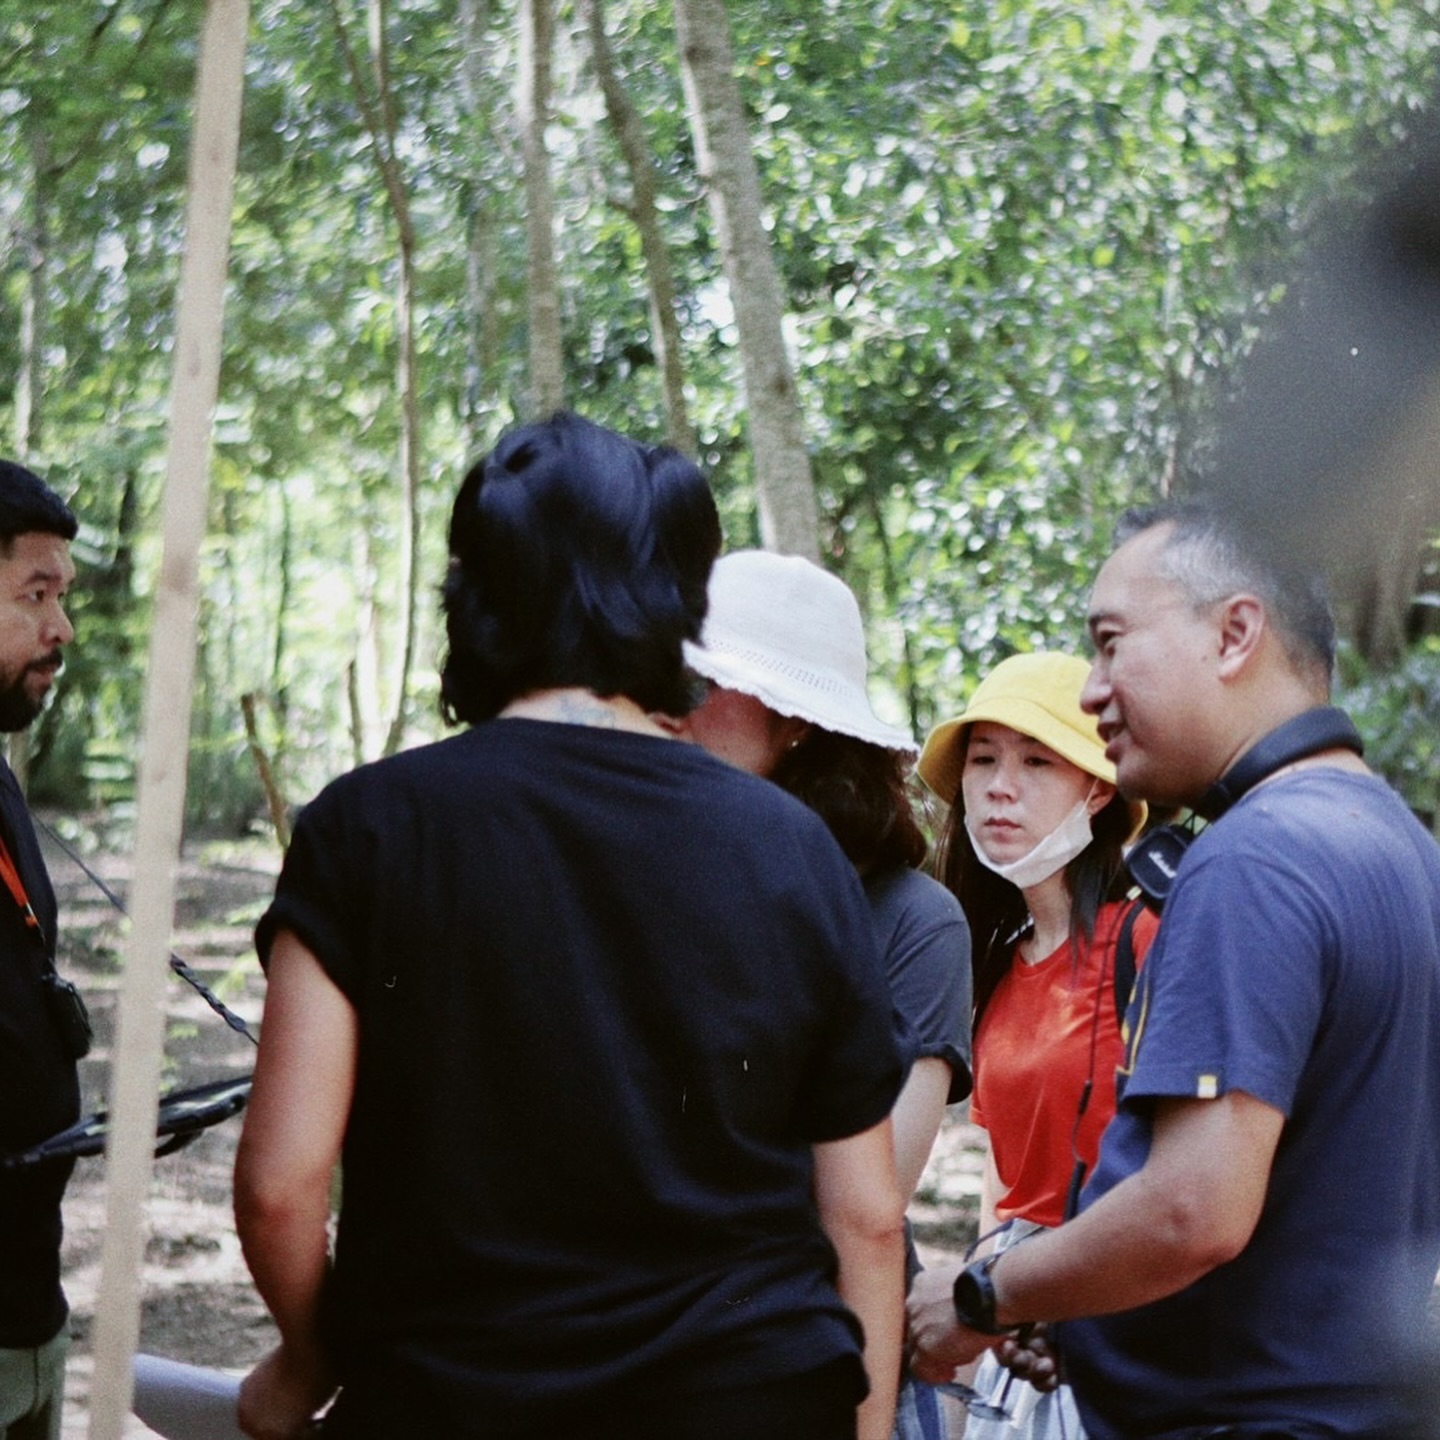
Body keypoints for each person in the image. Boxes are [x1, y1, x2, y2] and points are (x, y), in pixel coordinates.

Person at [233, 413, 909, 1440]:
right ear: (676, 603)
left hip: (455, 1400)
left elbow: (281, 1187)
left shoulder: (369, 829)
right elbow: (866, 1214)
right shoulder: (792, 847)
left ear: (473, 596)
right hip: (751, 1404)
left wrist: (306, 1361)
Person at [908, 498, 1440, 1438]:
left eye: (1113, 644)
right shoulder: (1399, 843)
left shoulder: (1254, 860)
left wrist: (985, 1294)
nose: (1093, 690)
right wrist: (1090, 1317)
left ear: (1236, 634)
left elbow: (1195, 1211)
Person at [673, 549, 973, 1440]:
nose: (678, 701)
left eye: (710, 681)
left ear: (798, 724)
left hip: (815, 1335)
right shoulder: (659, 871)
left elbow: (872, 1193)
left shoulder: (915, 921)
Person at [916, 651, 1152, 1440]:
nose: (998, 788)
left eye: (1034, 762)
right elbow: (1003, 1174)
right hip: (1017, 1324)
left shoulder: (1149, 940)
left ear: (1098, 788)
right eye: (982, 761)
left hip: (1126, 1299)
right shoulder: (997, 966)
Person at [0, 460, 83, 1440]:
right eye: (36, 595)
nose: (61, 629)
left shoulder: (5, 789)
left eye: (61, 597)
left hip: (30, 1315)